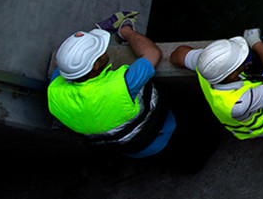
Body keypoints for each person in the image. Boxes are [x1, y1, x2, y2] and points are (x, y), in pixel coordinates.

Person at [46, 12, 189, 165]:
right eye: (100, 51)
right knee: (192, 149)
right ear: (95, 66)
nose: (105, 50)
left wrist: (96, 32)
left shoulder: (54, 91)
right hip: (163, 131)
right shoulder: (121, 85)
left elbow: (68, 66)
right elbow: (152, 53)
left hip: (132, 149)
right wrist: (126, 30)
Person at [170, 28, 263, 144]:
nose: (246, 61)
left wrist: (203, 55)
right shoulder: (239, 102)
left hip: (251, 109)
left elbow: (177, 55)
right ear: (231, 75)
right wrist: (256, 44)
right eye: (242, 62)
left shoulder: (206, 66)